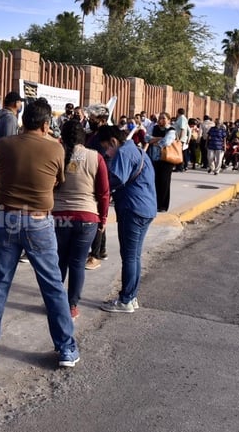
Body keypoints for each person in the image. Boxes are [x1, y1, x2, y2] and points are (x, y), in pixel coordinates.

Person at [0, 98, 80, 368]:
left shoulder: (4, 144)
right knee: (53, 286)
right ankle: (66, 348)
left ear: (24, 121)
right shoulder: (55, 149)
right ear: (46, 124)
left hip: (7, 217)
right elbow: (58, 181)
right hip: (39, 221)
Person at [95, 124, 157, 313]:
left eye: (107, 147)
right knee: (135, 256)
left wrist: (96, 187)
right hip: (146, 208)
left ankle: (126, 300)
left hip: (133, 209)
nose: (107, 152)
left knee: (129, 256)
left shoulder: (123, 153)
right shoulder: (137, 150)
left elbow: (116, 179)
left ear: (113, 141)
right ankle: (131, 296)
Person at [52, 120, 110, 319]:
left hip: (59, 216)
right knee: (77, 263)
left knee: (59, 261)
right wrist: (102, 219)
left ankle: (54, 303)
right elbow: (103, 193)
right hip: (87, 218)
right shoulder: (96, 157)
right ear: (83, 136)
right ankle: (71, 306)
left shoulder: (55, 154)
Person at [84, 103, 112, 269]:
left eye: (93, 118)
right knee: (100, 215)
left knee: (97, 216)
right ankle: (101, 250)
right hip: (93, 177)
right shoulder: (95, 133)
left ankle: (95, 255)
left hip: (99, 178)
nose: (90, 120)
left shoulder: (104, 136)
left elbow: (101, 157)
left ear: (101, 120)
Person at [146, 112, 176, 213]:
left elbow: (166, 142)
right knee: (154, 181)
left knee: (164, 182)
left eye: (163, 118)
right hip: (153, 158)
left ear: (168, 119)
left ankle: (163, 205)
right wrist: (158, 139)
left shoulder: (171, 130)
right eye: (160, 118)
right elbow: (146, 138)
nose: (161, 120)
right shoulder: (154, 128)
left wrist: (154, 140)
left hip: (166, 160)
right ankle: (155, 203)